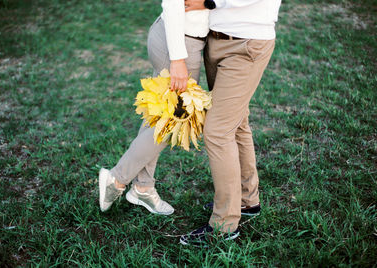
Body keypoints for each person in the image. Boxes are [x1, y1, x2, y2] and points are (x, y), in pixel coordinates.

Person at [180, 0, 281, 246]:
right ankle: (247, 199)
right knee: (236, 123)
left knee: (216, 131)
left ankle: (224, 225)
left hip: (247, 43)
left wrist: (209, 2)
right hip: (215, 40)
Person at [98, 1, 209, 215]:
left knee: (161, 116)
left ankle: (143, 187)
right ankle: (117, 179)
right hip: (179, 43)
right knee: (174, 120)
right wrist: (177, 60)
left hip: (182, 38)